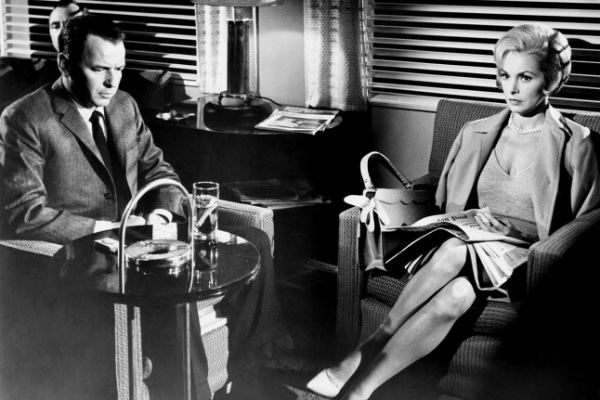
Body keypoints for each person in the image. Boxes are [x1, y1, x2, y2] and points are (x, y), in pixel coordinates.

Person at [0, 13, 287, 400]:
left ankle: (252, 381)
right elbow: (25, 214)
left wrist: (161, 212)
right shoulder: (25, 118)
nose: (112, 81)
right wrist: (113, 231)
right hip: (93, 254)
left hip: (147, 235)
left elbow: (158, 170)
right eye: (99, 69)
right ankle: (192, 393)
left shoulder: (123, 105)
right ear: (65, 64)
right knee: (170, 285)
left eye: (118, 69)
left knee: (252, 241)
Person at [307, 23, 600, 400]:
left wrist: (519, 233)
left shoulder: (576, 144)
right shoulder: (475, 131)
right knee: (457, 294)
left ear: (553, 80)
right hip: (466, 246)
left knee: (454, 249)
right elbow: (444, 201)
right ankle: (361, 390)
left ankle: (362, 353)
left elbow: (583, 231)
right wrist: (392, 208)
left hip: (523, 259)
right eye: (504, 75)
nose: (510, 88)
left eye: (525, 77)